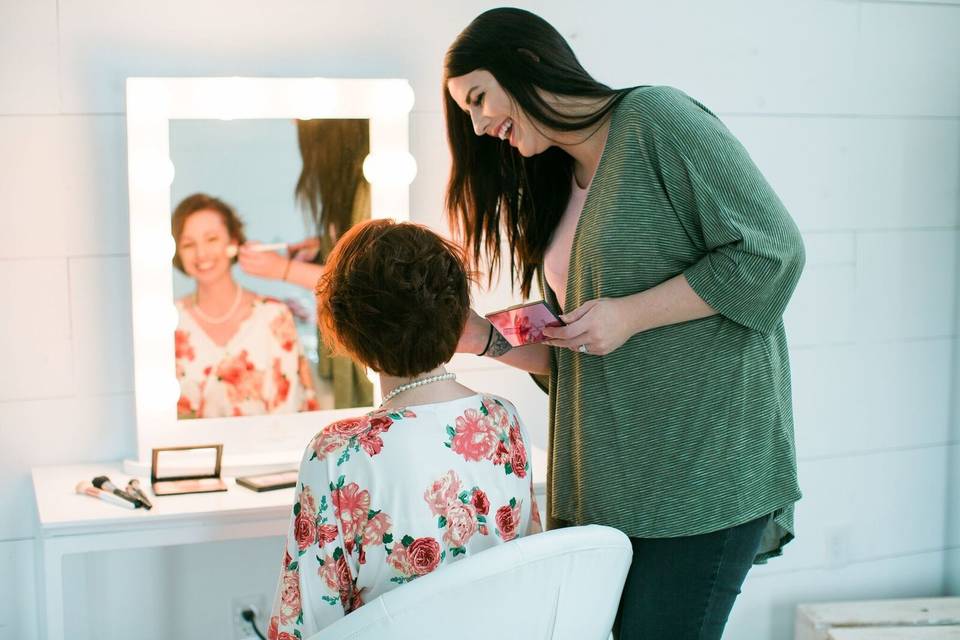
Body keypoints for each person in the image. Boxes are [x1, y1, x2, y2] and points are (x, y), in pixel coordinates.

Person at [443, 8, 805, 639]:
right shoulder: (555, 177)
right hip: (611, 486)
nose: (477, 125)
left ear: (526, 63)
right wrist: (480, 338)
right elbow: (583, 347)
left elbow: (773, 252)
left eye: (478, 99)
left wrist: (631, 315)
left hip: (700, 477)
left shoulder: (656, 120)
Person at [267, 219, 542, 638]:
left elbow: (304, 620)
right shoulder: (502, 418)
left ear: (348, 329)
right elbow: (529, 566)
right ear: (455, 312)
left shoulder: (338, 452)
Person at [238, 119, 374, 409]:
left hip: (367, 359)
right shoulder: (346, 190)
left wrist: (283, 270)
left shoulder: (369, 184)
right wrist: (324, 246)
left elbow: (367, 280)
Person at [172, 193, 318, 418]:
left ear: (232, 243)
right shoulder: (169, 320)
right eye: (189, 244)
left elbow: (290, 410)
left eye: (211, 239)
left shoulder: (274, 316)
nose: (201, 254)